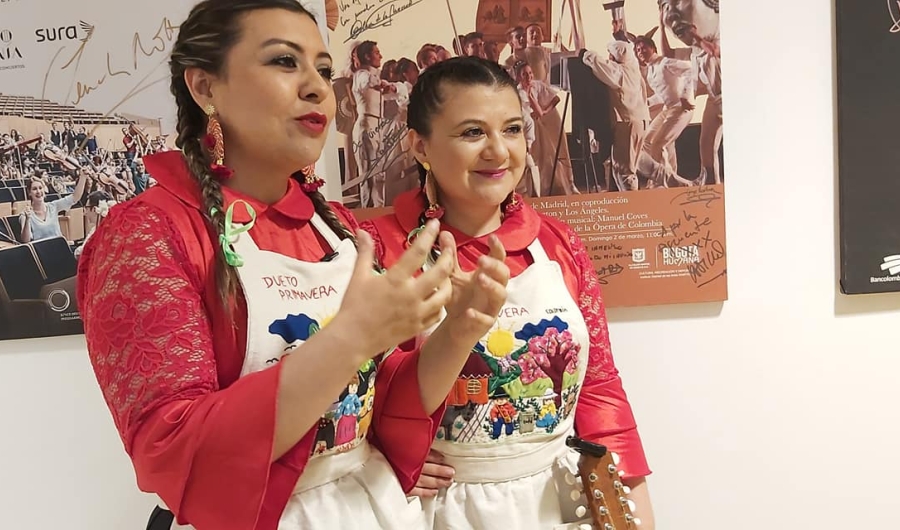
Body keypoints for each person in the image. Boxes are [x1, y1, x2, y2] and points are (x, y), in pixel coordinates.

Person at [76, 2, 508, 529]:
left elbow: (382, 408)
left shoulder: (336, 225)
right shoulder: (148, 233)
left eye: (324, 70)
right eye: (285, 62)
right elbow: (175, 452)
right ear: (205, 87)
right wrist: (348, 340)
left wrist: (459, 332)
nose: (317, 88)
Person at [361, 56, 656, 530]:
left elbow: (598, 386)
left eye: (513, 129)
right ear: (420, 145)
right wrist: (385, 456)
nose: (499, 151)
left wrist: (630, 508)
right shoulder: (375, 247)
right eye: (472, 132)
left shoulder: (560, 245)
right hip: (432, 508)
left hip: (557, 500)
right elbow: (347, 388)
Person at [19, 169, 88, 243]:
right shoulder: (25, 215)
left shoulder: (53, 206)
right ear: (29, 193)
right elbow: (26, 240)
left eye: (40, 188)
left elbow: (75, 197)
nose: (38, 191)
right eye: (34, 189)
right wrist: (27, 220)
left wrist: (83, 177)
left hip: (58, 247)